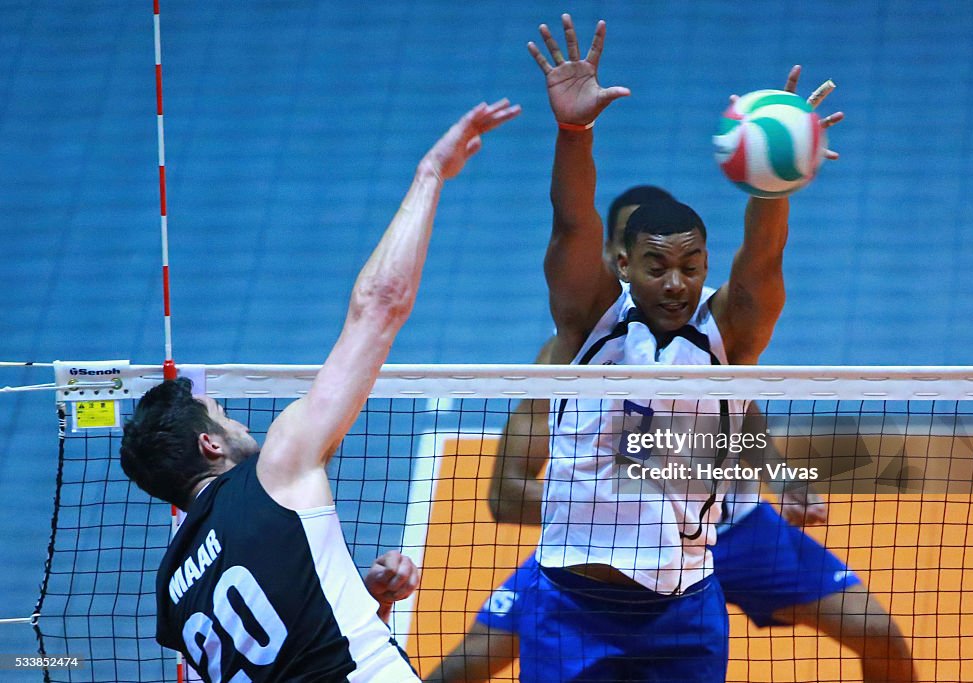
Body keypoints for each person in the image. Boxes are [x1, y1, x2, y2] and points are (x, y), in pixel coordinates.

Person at [119, 99, 520, 683]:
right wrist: (431, 172)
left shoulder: (171, 599)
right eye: (223, 416)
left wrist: (366, 595)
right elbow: (378, 307)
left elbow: (282, 651)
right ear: (210, 445)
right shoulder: (273, 471)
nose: (237, 425)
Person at [515, 14, 844, 683]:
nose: (676, 281)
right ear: (624, 265)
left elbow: (764, 258)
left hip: (683, 607)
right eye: (656, 265)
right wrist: (574, 132)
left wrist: (773, 187)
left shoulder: (726, 338)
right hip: (570, 607)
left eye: (691, 266)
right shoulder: (589, 323)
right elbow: (572, 221)